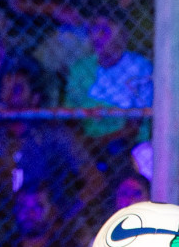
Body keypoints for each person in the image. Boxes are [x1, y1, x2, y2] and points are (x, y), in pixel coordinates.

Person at [0, 60, 103, 231]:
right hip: (4, 221)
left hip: (53, 215)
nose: (8, 97)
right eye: (5, 90)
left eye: (17, 90)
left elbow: (96, 180)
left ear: (35, 99)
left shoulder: (55, 135)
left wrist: (65, 214)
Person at [65, 9, 153, 154]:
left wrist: (98, 142)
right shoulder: (80, 68)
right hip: (87, 142)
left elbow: (134, 126)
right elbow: (71, 115)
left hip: (127, 144)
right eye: (94, 30)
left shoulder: (140, 67)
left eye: (104, 31)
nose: (96, 37)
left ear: (122, 36)